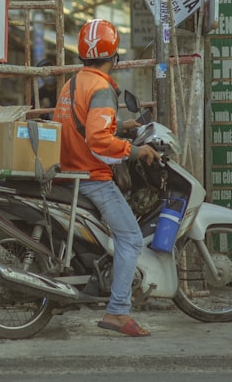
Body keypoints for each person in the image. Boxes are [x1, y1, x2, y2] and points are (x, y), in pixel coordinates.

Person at [53, 18, 159, 337]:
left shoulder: (72, 84)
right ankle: (117, 311)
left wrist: (122, 125)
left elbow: (83, 126)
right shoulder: (101, 87)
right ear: (114, 57)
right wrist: (134, 150)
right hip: (93, 177)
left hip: (68, 172)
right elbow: (99, 142)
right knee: (129, 238)